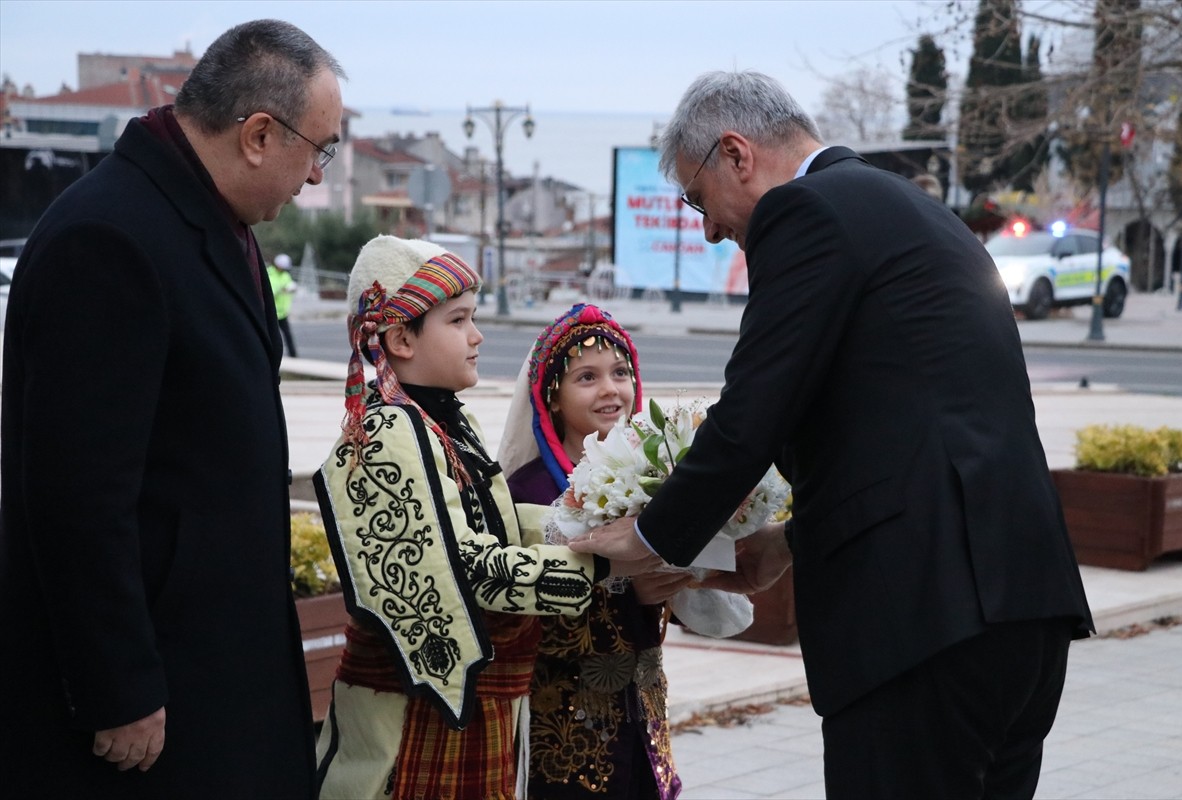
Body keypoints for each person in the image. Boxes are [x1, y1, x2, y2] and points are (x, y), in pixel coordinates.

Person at [571, 70, 1095, 800]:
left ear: (736, 154)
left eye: (698, 198)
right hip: (1020, 605)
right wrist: (789, 544)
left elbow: (755, 408)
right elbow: (904, 424)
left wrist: (649, 538)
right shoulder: (909, 207)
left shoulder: (804, 212)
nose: (710, 228)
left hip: (921, 622)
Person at [0, 19, 343, 798]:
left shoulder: (202, 218)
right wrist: (116, 688)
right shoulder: (109, 238)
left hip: (214, 679)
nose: (317, 177)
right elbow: (76, 498)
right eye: (317, 149)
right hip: (146, 720)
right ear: (259, 133)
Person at [313, 237, 653, 800]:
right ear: (400, 338)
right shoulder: (383, 433)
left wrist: (580, 526)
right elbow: (464, 567)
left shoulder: (440, 421)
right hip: (411, 714)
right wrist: (596, 560)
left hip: (472, 704)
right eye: (460, 320)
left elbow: (491, 518)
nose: (478, 336)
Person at [497, 303, 687, 799]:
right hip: (565, 729)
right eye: (586, 376)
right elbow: (520, 617)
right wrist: (633, 591)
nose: (611, 389)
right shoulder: (529, 492)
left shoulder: (656, 479)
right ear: (552, 397)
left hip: (643, 713)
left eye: (620, 372)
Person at [270, 252, 300, 356]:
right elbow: (271, 292)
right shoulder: (269, 274)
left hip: (283, 312)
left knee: (288, 335)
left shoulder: (285, 275)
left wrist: (292, 288)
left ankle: (293, 355)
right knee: (272, 337)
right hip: (271, 312)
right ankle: (271, 356)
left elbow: (289, 285)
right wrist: (281, 289)